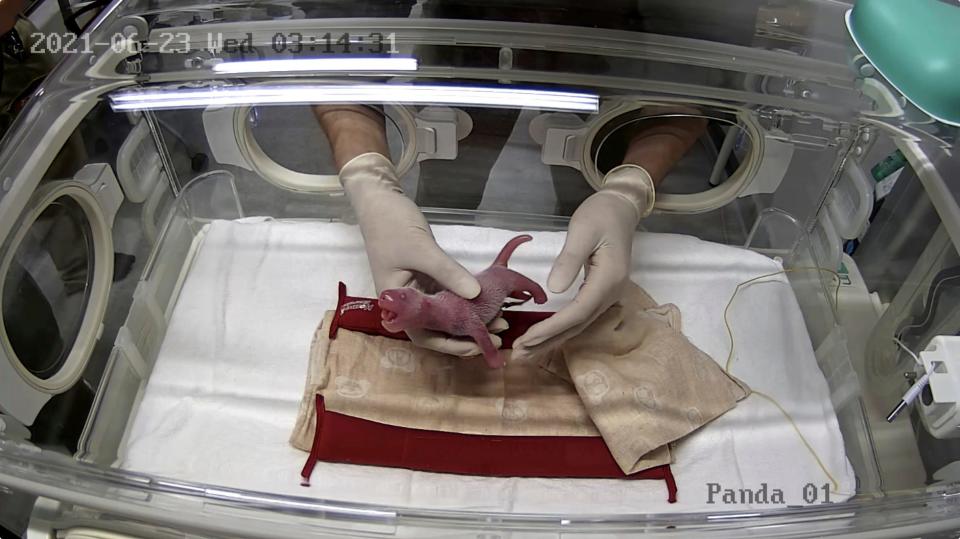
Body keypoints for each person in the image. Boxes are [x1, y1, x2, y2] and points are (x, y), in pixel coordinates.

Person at [315, 103, 706, 360]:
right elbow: (337, 40)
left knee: (580, 171)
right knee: (453, 171)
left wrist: (628, 190)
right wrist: (368, 178)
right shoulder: (434, 308)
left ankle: (588, 211)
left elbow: (701, 76)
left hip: (609, 64)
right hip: (464, 45)